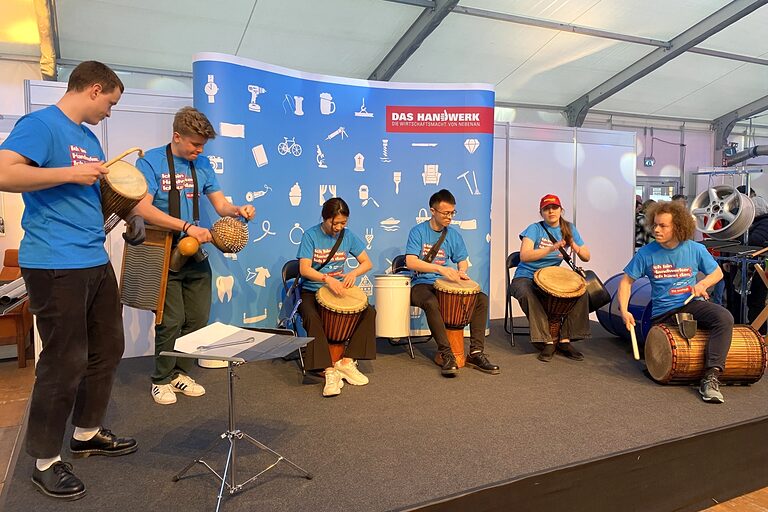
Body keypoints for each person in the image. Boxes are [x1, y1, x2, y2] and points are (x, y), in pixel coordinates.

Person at [0, 61, 138, 500]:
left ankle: (85, 433)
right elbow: (4, 172)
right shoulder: (41, 124)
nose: (110, 113)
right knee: (64, 360)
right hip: (54, 262)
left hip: (92, 258)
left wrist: (129, 217)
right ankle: (44, 461)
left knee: (108, 347)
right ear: (94, 89)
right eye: (111, 103)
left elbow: (89, 193)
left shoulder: (87, 137)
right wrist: (68, 173)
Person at [134, 107, 255, 405]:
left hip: (194, 252)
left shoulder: (202, 165)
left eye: (203, 145)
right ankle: (161, 379)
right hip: (163, 251)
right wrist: (186, 226)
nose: (199, 150)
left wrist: (237, 210)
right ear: (176, 136)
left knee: (198, 319)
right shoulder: (149, 162)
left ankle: (180, 373)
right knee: (171, 320)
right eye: (194, 144)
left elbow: (220, 205)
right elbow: (141, 208)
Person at [618, 200, 733, 403]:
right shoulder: (646, 253)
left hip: (690, 303)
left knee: (724, 317)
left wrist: (703, 284)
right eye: (655, 225)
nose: (656, 229)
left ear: (678, 227)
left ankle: (711, 376)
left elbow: (717, 273)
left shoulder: (695, 249)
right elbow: (626, 282)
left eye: (663, 225)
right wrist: (625, 309)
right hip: (664, 312)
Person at [405, 189, 499, 377]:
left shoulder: (453, 235)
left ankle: (476, 352)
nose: (449, 217)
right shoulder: (418, 232)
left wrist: (462, 271)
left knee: (481, 299)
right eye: (445, 213)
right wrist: (440, 269)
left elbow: (462, 259)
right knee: (431, 302)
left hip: (445, 283)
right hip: (421, 284)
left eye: (452, 213)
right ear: (433, 211)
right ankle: (447, 355)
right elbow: (410, 261)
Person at [296, 197, 376, 397]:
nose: (339, 227)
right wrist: (326, 278)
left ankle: (346, 362)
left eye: (343, 223)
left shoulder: (347, 236)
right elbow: (304, 269)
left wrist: (353, 273)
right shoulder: (310, 236)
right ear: (325, 218)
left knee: (369, 312)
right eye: (335, 222)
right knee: (312, 317)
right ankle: (328, 371)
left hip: (338, 290)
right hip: (312, 289)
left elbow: (367, 263)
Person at [509, 194, 591, 362]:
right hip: (526, 277)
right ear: (541, 212)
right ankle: (546, 340)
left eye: (554, 207)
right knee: (526, 293)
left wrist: (573, 244)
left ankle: (565, 339)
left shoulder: (569, 228)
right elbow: (524, 256)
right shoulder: (534, 229)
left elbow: (586, 257)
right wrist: (551, 248)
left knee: (581, 291)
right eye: (546, 209)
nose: (551, 211)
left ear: (561, 210)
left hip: (551, 280)